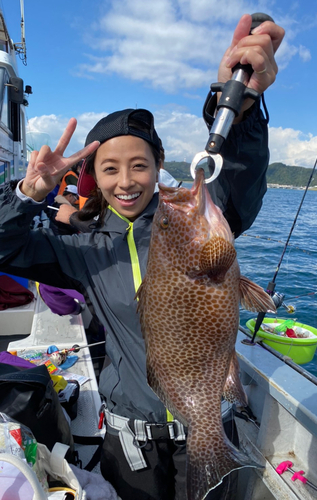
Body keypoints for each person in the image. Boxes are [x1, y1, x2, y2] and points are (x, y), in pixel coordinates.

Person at [0, 14, 284, 500]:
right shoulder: (80, 248)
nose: (126, 181)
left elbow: (237, 181)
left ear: (158, 167)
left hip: (208, 421)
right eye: (110, 169)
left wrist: (240, 102)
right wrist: (27, 193)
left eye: (140, 165)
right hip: (131, 443)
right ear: (94, 175)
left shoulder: (188, 222)